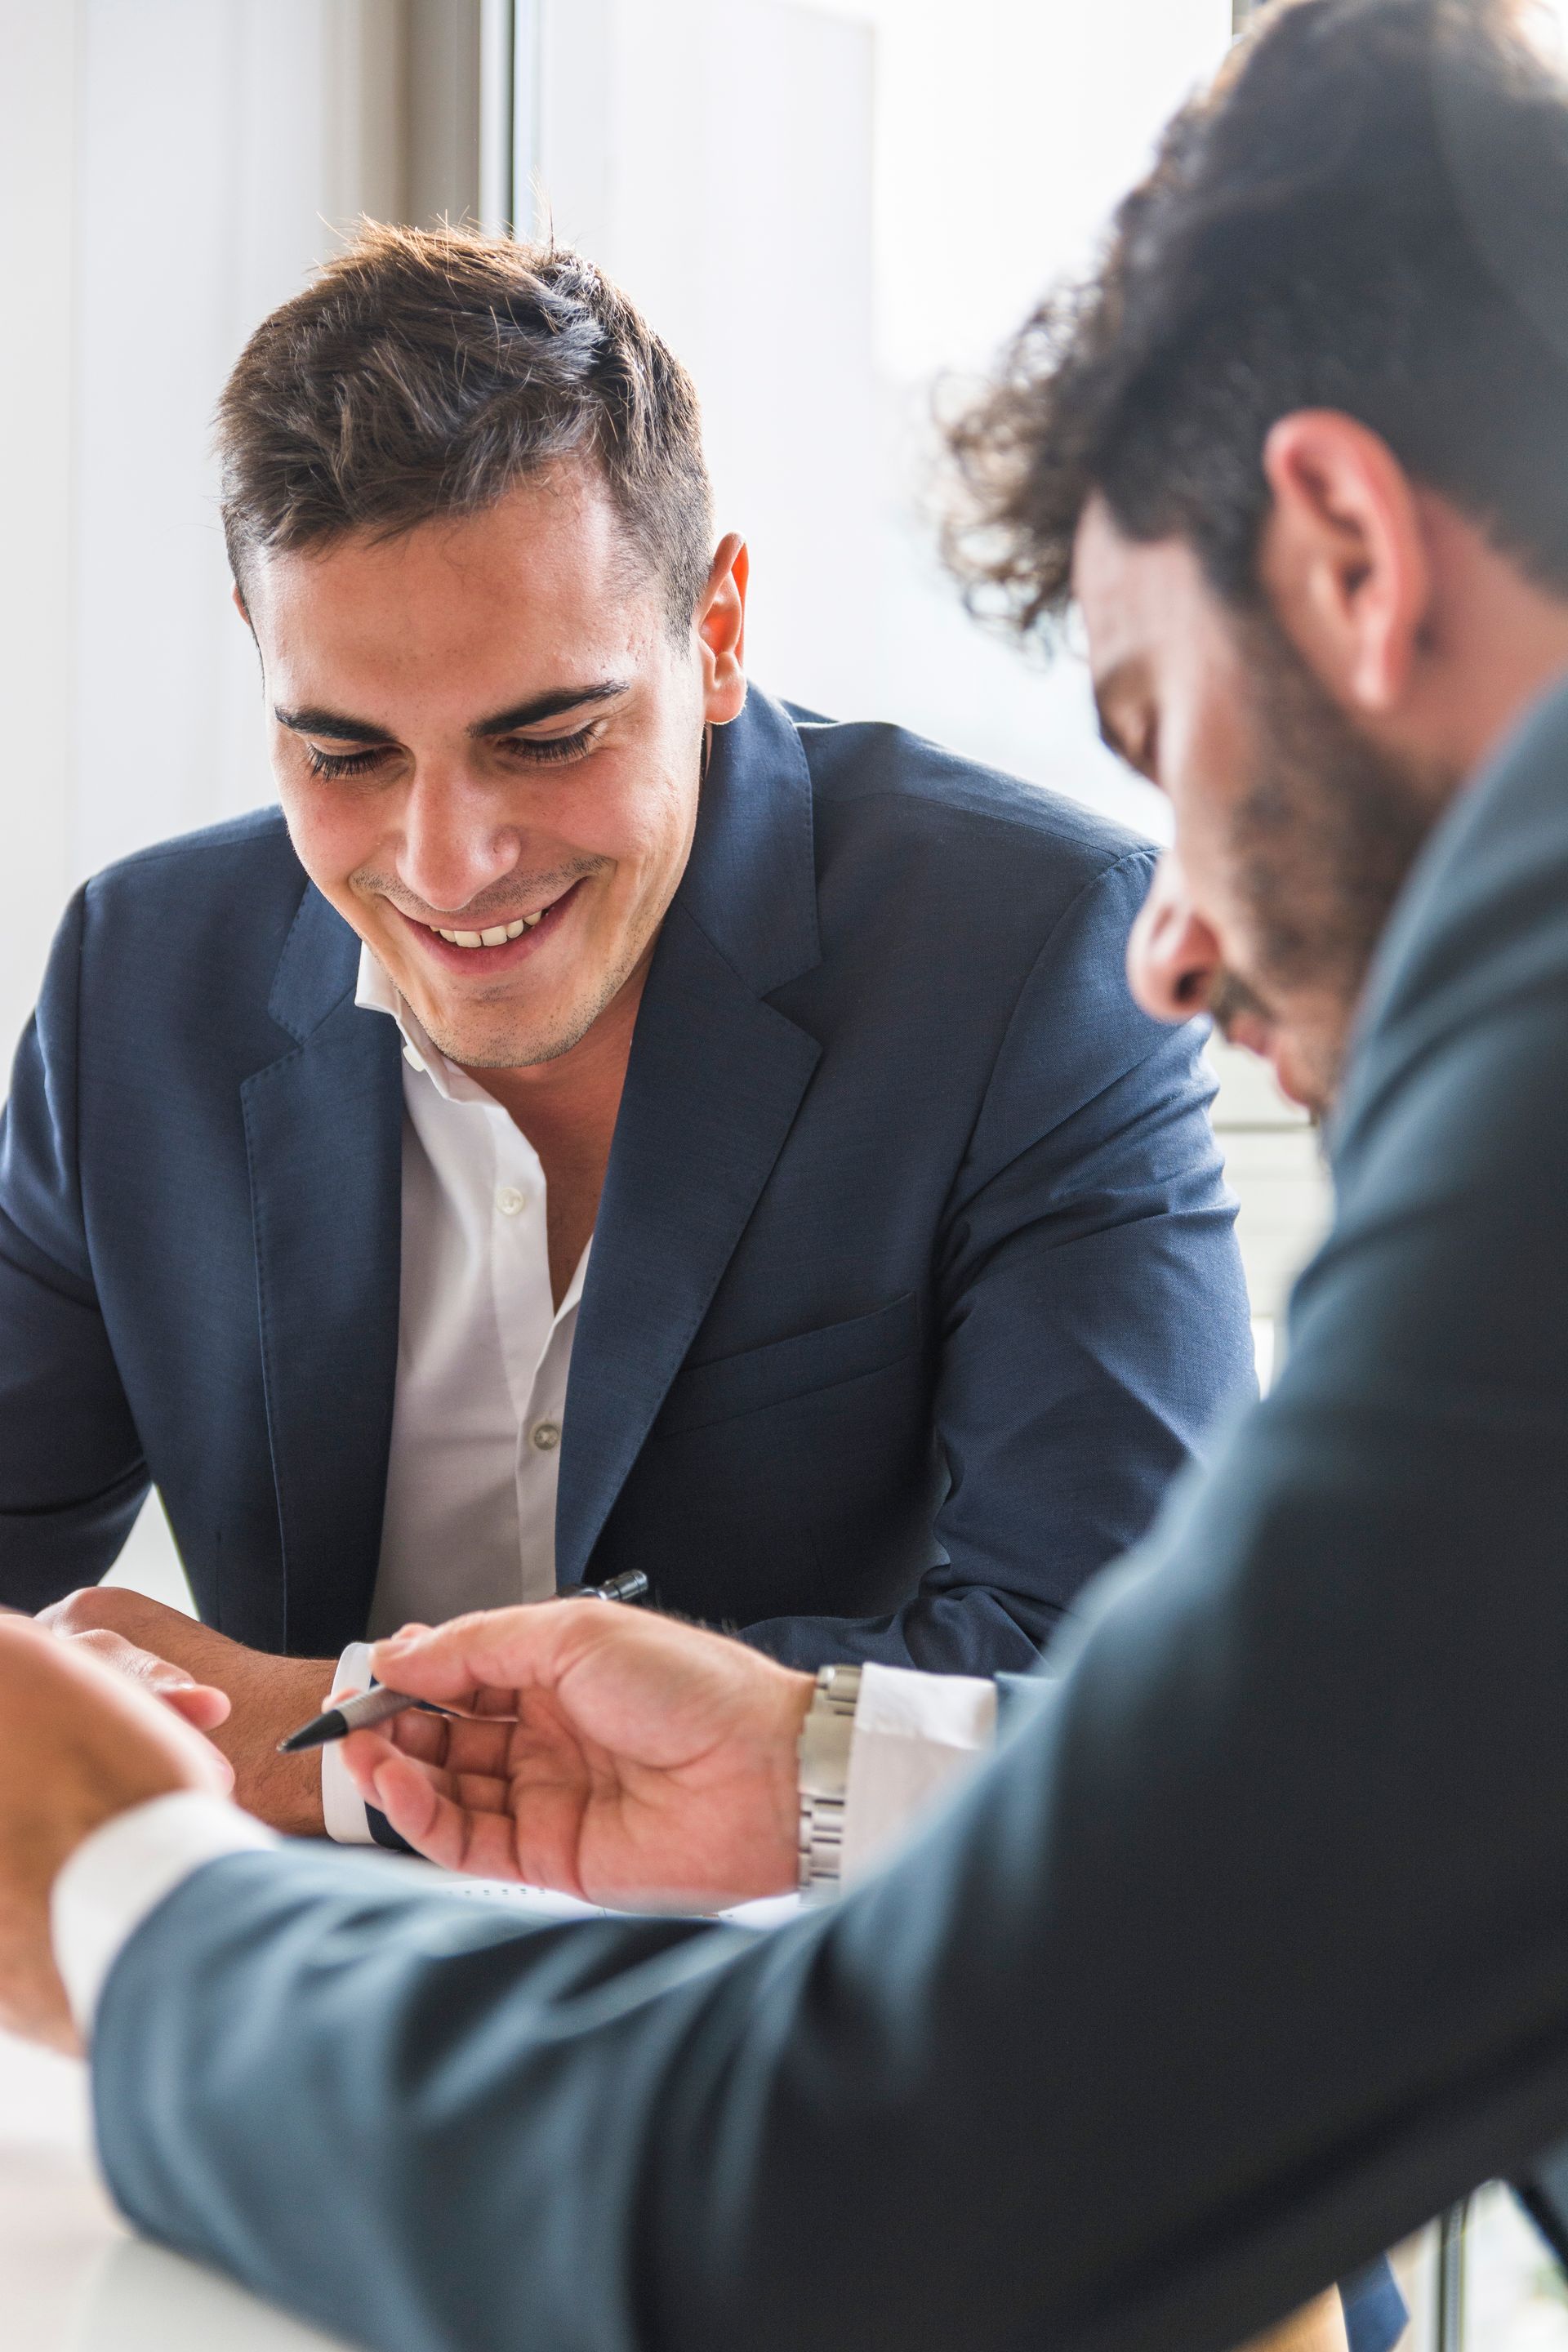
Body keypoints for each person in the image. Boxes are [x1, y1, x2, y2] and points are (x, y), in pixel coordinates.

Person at [6, 2, 1568, 2348]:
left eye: (1154, 721)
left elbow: (819, 2174)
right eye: (346, 748)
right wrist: (810, 1764)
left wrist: (125, 1886)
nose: (1172, 936)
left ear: (1346, 552)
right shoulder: (143, 964)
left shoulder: (1417, 1068)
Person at [9, 225, 1252, 1844]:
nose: (449, 862)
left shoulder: (1036, 958)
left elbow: (1122, 1692)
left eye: (547, 738)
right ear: (259, 647)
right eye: (346, 756)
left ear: (718, 629)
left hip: (817, 2011)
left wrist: (321, 1740)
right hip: (298, 2021)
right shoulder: (140, 975)